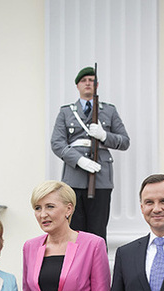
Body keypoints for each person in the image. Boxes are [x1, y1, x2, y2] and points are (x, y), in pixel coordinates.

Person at [50, 66, 130, 240]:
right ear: (77, 85)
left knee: (98, 230)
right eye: (84, 81)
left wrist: (104, 135)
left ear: (97, 85)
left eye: (91, 80)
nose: (88, 83)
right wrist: (78, 160)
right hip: (75, 176)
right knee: (74, 229)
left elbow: (124, 141)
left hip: (100, 177)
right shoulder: (66, 112)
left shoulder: (109, 111)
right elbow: (57, 143)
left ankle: (97, 267)